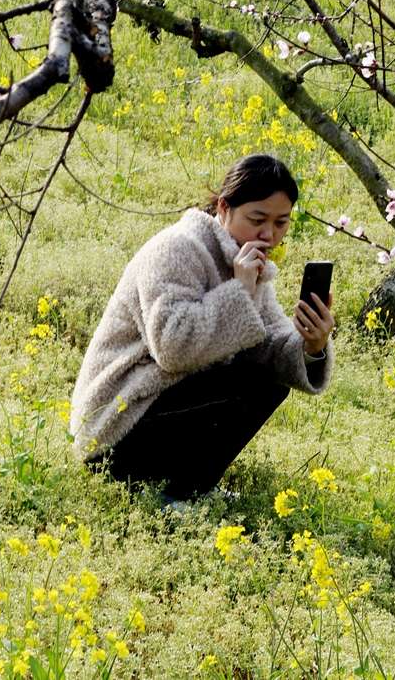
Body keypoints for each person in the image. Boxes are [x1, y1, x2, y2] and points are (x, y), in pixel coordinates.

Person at [70, 153, 334, 502]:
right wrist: (239, 292)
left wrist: (311, 347)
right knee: (250, 380)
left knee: (266, 381)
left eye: (281, 223)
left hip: (155, 412)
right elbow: (173, 349)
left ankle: (190, 487)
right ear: (224, 208)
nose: (269, 235)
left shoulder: (245, 262)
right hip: (114, 429)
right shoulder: (176, 247)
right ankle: (169, 493)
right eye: (258, 219)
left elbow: (269, 345)